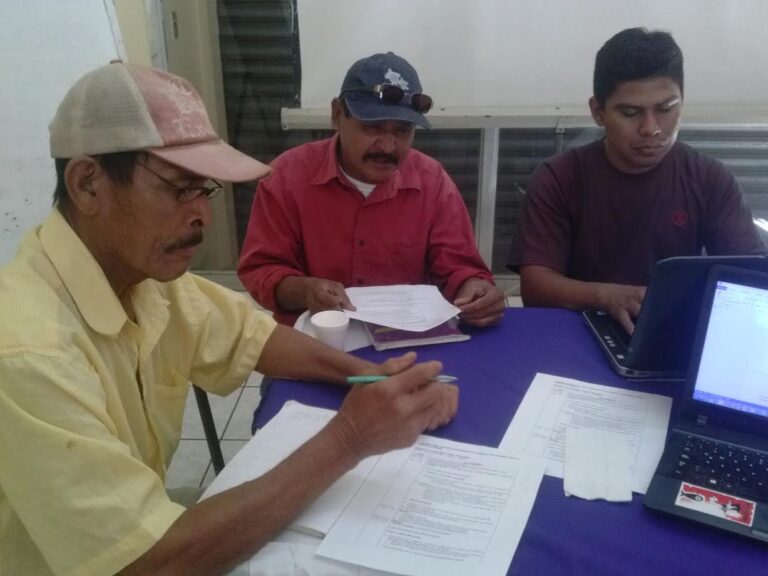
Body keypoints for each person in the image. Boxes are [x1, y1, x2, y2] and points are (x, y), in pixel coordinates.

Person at [0, 62, 458, 576]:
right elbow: (144, 564)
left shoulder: (143, 278)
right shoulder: (26, 353)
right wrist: (350, 438)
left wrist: (371, 375)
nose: (202, 215)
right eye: (180, 188)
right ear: (88, 185)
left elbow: (254, 337)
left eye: (206, 190)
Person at [508, 28, 765, 333]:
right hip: (579, 329)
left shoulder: (710, 179)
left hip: (670, 332)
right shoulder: (559, 178)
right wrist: (609, 297)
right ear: (598, 112)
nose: (651, 129)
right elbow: (535, 286)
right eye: (630, 113)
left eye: (666, 109)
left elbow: (748, 276)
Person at [237, 52, 505, 328]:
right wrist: (306, 290)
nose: (388, 147)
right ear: (337, 115)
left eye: (402, 131)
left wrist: (476, 289)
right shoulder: (287, 176)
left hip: (408, 340)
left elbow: (459, 268)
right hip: (317, 340)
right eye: (373, 127)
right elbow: (262, 269)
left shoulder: (432, 181)